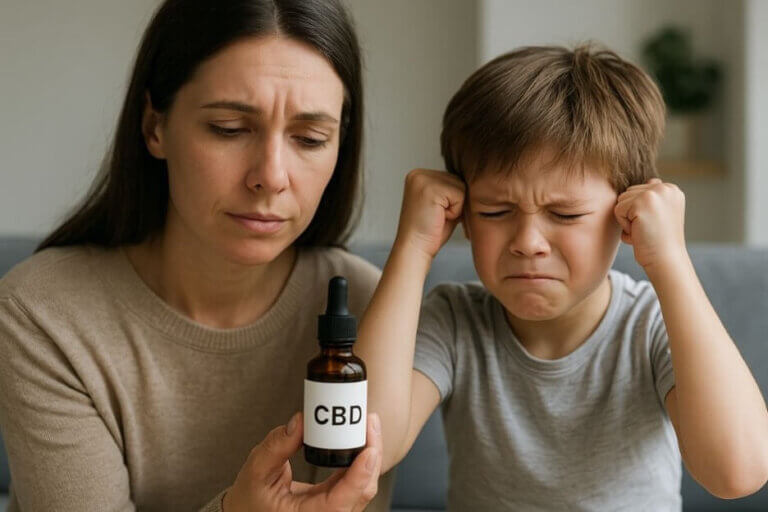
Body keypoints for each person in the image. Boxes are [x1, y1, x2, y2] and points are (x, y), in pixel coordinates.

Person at [0, 1, 394, 510]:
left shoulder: (370, 307)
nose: (271, 176)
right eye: (230, 128)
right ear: (154, 127)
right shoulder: (44, 312)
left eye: (310, 138)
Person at [356, 44, 768, 510]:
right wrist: (412, 245)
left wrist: (670, 258)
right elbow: (368, 443)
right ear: (463, 215)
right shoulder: (453, 321)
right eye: (496, 210)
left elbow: (738, 471)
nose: (528, 241)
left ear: (626, 214)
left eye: (566, 213)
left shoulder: (652, 326)